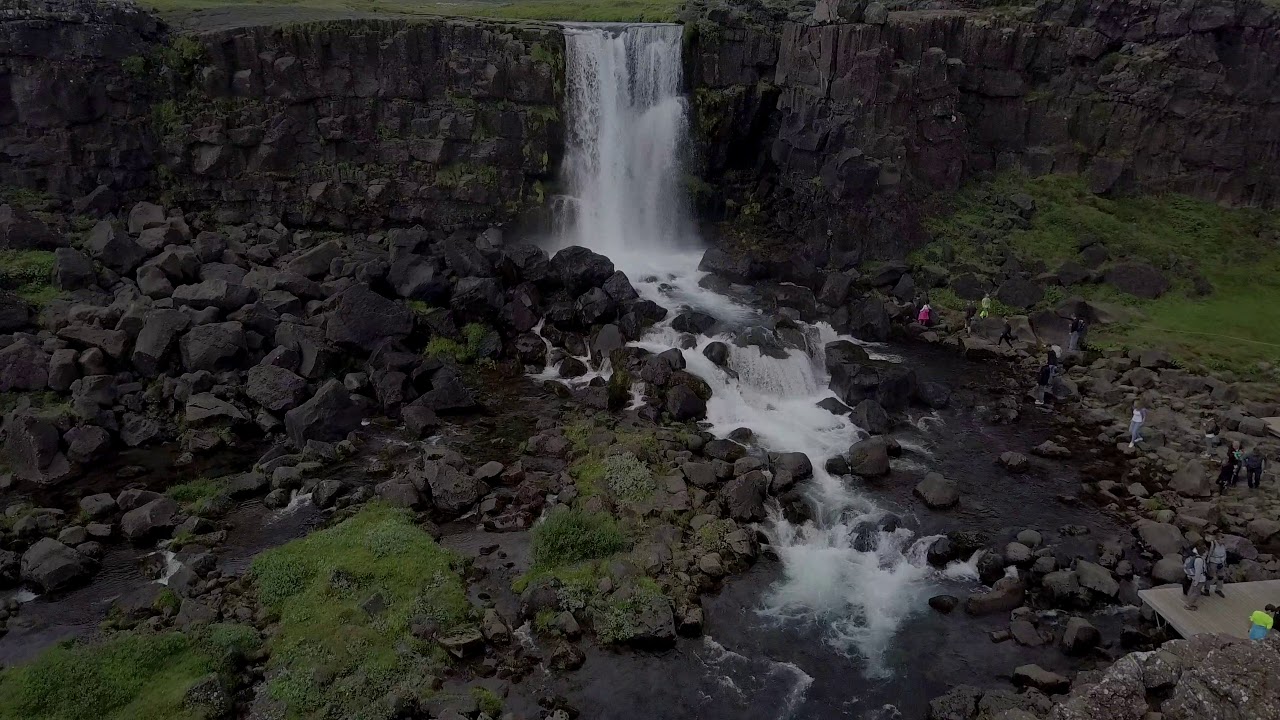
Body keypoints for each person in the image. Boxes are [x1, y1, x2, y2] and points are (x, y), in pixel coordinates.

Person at [1183, 546, 1207, 610]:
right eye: (1205, 552)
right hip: (1199, 579)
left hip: (1195, 578)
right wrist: (1197, 581)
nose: (1207, 553)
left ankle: (1189, 602)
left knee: (1192, 590)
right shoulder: (1199, 560)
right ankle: (1189, 605)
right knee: (1196, 592)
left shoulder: (1196, 558)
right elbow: (1198, 572)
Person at [1205, 533, 1227, 598]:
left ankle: (1218, 589)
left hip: (1221, 561)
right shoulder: (1213, 544)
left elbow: (1224, 553)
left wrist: (1224, 561)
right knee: (1210, 576)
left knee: (1221, 576)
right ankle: (1207, 589)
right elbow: (1207, 540)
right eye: (1221, 539)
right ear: (1217, 539)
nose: (1223, 541)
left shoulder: (1223, 545)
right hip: (1213, 562)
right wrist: (1207, 562)